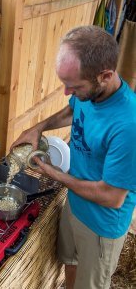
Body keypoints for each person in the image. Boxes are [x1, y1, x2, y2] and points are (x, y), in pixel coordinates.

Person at [11, 25, 136, 289]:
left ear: (105, 75)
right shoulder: (89, 91)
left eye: (74, 86)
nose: (67, 92)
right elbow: (72, 110)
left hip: (101, 225)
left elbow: (111, 197)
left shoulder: (128, 126)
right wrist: (37, 127)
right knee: (70, 265)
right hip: (75, 203)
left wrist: (53, 173)